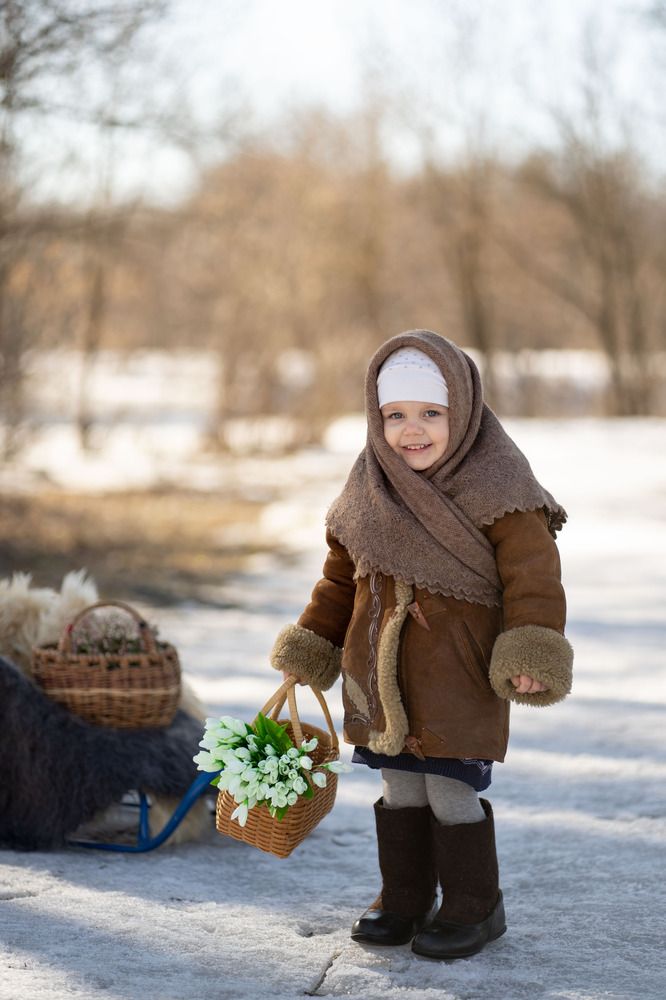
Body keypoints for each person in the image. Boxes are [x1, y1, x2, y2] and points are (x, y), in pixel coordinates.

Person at [270, 330, 573, 961]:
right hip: (378, 668)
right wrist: (312, 648)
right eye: (395, 415)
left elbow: (533, 577)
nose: (412, 430)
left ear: (462, 410)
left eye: (431, 413)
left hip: (458, 667)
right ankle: (404, 897)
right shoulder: (369, 486)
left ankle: (474, 903)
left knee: (449, 788)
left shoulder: (500, 483)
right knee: (399, 784)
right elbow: (339, 581)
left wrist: (530, 649)